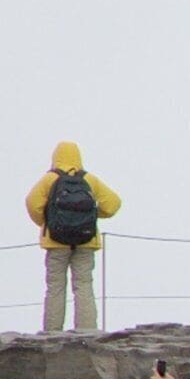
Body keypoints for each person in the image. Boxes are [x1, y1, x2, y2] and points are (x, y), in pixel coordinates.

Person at [24, 143, 121, 334]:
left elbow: (32, 203)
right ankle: (87, 331)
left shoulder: (49, 179)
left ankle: (52, 331)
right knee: (84, 285)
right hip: (86, 241)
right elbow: (113, 204)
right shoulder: (89, 180)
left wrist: (47, 221)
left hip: (56, 241)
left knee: (55, 287)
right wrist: (93, 214)